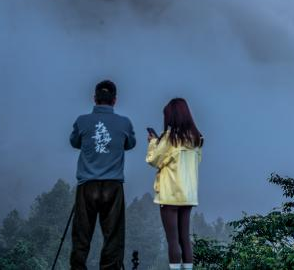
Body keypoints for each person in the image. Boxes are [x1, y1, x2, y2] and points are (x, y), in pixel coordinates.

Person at [69, 80, 137, 270]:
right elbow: (130, 144)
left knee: (82, 234)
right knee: (113, 236)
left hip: (87, 184)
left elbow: (75, 142)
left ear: (94, 98)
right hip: (113, 185)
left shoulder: (82, 121)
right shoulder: (124, 122)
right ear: (114, 100)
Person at [146, 98, 203, 270]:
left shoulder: (170, 138)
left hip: (170, 195)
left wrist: (152, 143)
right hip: (189, 194)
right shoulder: (197, 139)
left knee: (172, 239)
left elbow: (153, 160)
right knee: (184, 238)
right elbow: (196, 162)